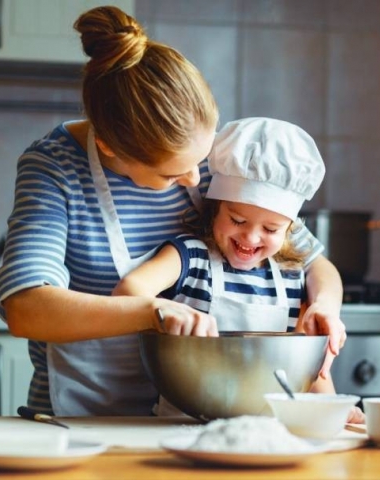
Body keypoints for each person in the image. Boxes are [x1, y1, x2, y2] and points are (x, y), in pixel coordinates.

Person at [0, 5, 346, 417]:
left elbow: (312, 261)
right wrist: (150, 311)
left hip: (195, 422)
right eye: (172, 174)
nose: (197, 180)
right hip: (86, 420)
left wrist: (324, 306)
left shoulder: (223, 161)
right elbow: (26, 308)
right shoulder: (55, 168)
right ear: (110, 147)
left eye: (201, 160)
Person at [114, 117, 365, 423]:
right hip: (182, 425)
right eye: (237, 220)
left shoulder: (291, 276)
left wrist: (333, 411)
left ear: (291, 230)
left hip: (269, 433)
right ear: (215, 208)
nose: (251, 237)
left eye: (271, 228)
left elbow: (309, 371)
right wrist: (164, 312)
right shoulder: (191, 256)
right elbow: (128, 290)